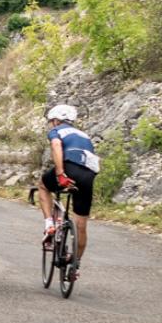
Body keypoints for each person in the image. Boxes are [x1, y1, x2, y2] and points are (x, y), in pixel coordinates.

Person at [39, 104, 99, 279]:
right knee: (81, 224)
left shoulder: (58, 131)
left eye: (51, 122)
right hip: (88, 175)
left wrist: (60, 173)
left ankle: (49, 224)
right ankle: (75, 264)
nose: (51, 125)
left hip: (70, 168)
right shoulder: (84, 135)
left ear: (56, 120)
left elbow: (56, 146)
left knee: (43, 186)